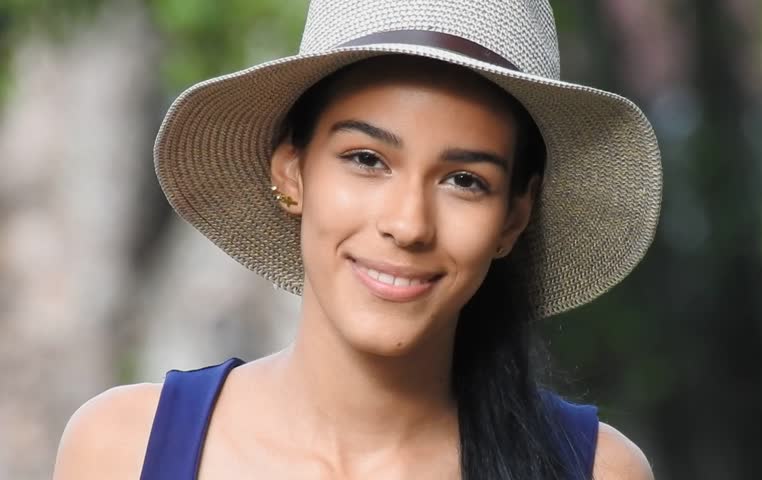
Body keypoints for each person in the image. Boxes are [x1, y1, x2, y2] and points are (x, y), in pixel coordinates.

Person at [54, 0, 661, 478]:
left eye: (464, 180)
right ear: (291, 171)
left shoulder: (596, 471)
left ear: (512, 218)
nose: (408, 223)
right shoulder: (120, 450)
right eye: (367, 159)